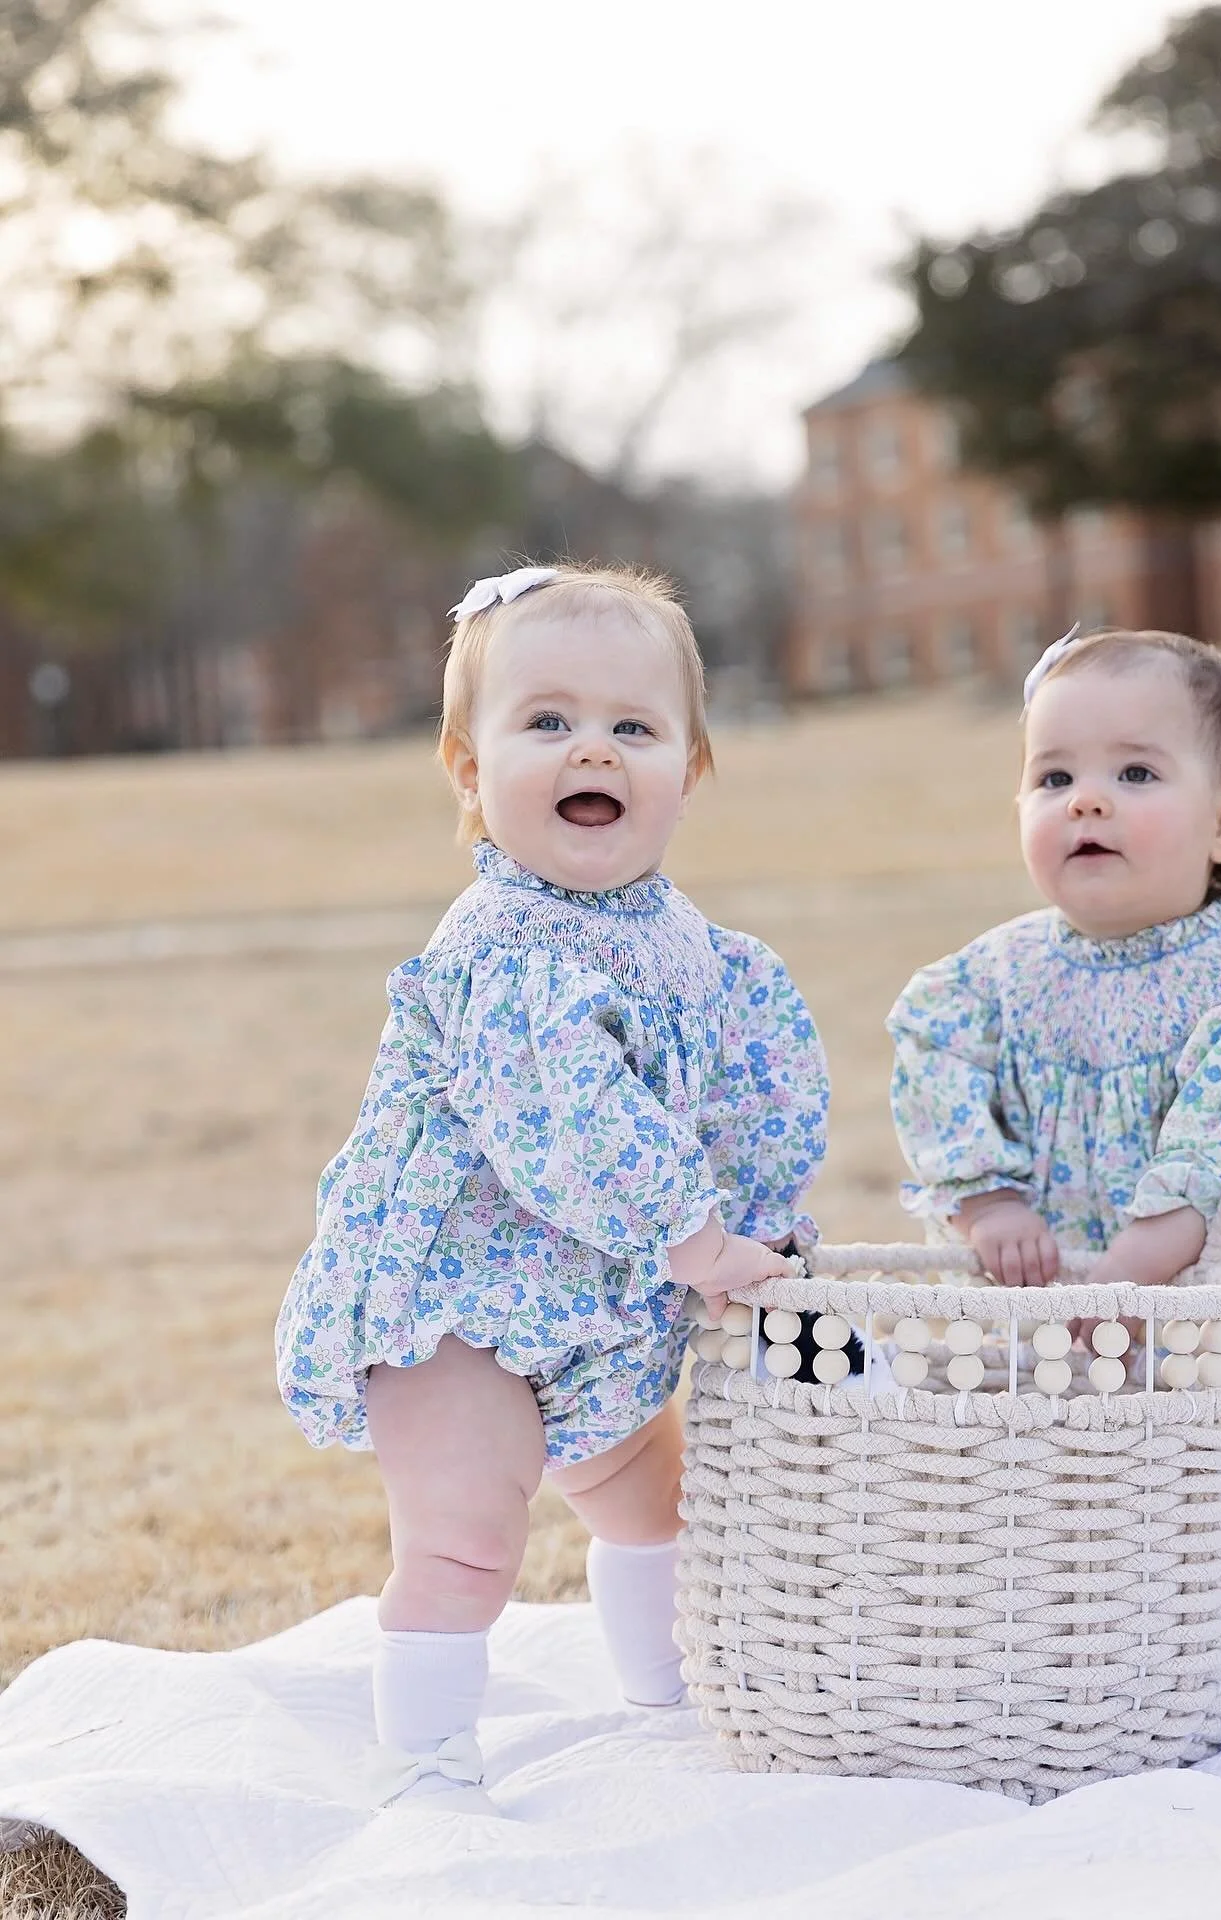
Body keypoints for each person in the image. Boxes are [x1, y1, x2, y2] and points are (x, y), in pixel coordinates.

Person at [276, 563, 827, 1809]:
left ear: (689, 770)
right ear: (471, 770)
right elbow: (569, 1120)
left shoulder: (693, 950)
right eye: (548, 722)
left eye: (634, 726)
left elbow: (748, 1091)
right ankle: (421, 1768)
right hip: (458, 1300)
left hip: (604, 1301)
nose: (595, 748)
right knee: (470, 1537)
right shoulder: (504, 946)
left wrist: (762, 1228)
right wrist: (693, 1237)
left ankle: (665, 1702)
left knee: (655, 1499)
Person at [888, 625, 1221, 1589]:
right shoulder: (997, 974)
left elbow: (1216, 1156)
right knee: (1084, 1428)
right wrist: (985, 1200)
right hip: (1075, 1252)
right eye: (1054, 779)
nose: (1087, 799)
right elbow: (931, 1052)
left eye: (1136, 775)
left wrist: (1131, 1285)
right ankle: (1114, 1595)